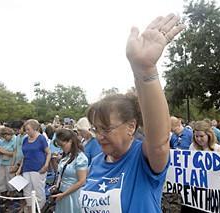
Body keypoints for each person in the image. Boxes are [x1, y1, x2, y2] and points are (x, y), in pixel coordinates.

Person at [79, 13, 185, 212]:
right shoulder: (96, 162)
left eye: (106, 128)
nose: (99, 136)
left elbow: (159, 142)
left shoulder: (142, 158)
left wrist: (145, 71)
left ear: (131, 126)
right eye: (96, 129)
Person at [48, 128, 88, 213]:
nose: (61, 148)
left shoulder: (81, 158)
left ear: (70, 141)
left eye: (62, 145)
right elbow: (61, 172)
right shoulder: (66, 155)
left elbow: (82, 181)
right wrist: (58, 185)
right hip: (62, 192)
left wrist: (63, 194)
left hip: (73, 195)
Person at [16, 119, 51, 212]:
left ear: (35, 128)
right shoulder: (25, 140)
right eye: (26, 129)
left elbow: (48, 153)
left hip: (38, 168)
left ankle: (40, 210)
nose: (27, 132)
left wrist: (46, 165)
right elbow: (24, 156)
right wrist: (20, 168)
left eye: (28, 129)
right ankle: (31, 210)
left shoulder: (41, 138)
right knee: (27, 191)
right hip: (27, 167)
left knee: (39, 191)